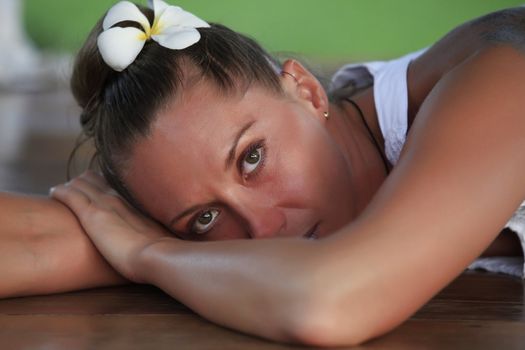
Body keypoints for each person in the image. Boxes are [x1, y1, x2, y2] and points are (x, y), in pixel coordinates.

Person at [2, 0, 525, 346]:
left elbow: (330, 300)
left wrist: (149, 253)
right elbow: (46, 242)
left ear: (306, 90)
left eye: (252, 157)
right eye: (205, 218)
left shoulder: (504, 76)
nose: (259, 231)